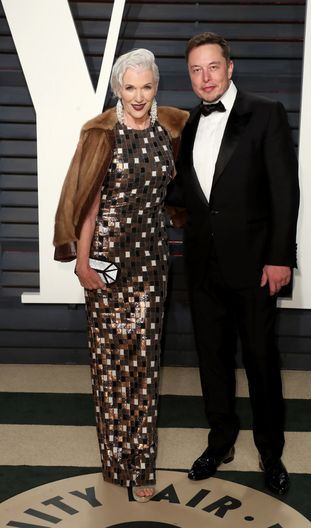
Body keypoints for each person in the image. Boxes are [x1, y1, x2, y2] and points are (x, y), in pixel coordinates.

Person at [53, 49, 188, 502]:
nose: (138, 96)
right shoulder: (100, 133)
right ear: (117, 89)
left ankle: (142, 463)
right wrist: (82, 262)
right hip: (107, 262)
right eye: (129, 87)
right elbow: (89, 203)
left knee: (145, 365)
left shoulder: (170, 130)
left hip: (151, 262)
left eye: (146, 87)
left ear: (156, 88)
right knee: (110, 366)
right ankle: (115, 461)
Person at [168, 33, 299, 495]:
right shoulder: (184, 124)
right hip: (202, 265)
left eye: (213, 67)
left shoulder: (266, 113)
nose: (205, 78)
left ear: (230, 66)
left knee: (262, 362)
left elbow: (285, 191)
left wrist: (280, 257)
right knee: (212, 360)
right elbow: (185, 194)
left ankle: (270, 450)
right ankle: (220, 440)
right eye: (196, 70)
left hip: (255, 266)